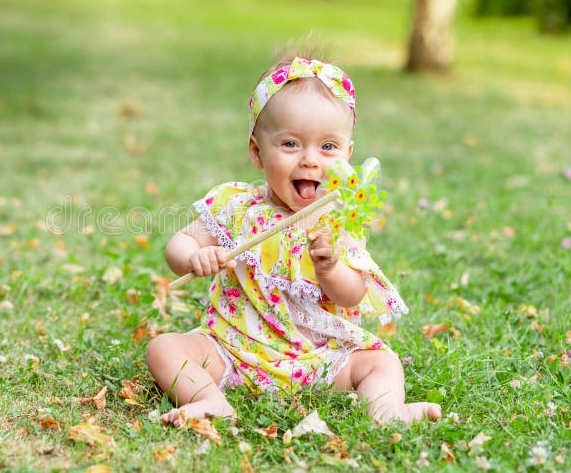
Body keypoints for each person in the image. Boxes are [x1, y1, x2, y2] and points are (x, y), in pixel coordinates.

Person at [146, 55, 442, 425]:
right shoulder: (237, 207)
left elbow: (350, 295)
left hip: (318, 358)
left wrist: (330, 267)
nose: (310, 161)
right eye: (290, 144)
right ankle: (211, 400)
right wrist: (194, 257)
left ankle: (386, 411)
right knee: (164, 349)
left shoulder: (340, 224)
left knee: (382, 362)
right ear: (257, 151)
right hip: (233, 349)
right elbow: (180, 243)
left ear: (348, 156)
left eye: (328, 147)